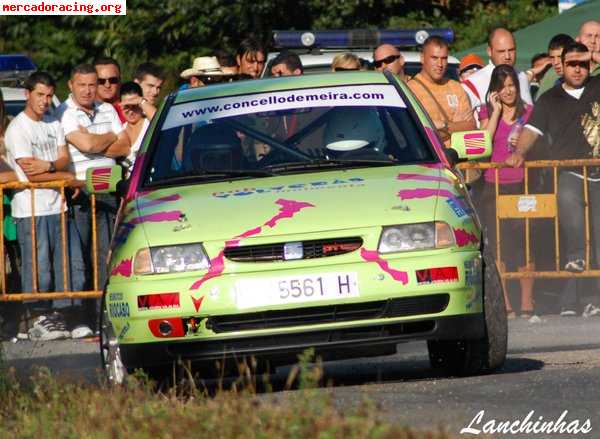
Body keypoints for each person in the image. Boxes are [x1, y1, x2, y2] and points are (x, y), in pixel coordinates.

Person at [506, 43, 600, 316]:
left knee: (598, 239)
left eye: (583, 63)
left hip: (598, 173)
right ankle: (575, 256)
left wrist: (594, 54)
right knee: (570, 212)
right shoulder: (549, 99)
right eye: (572, 64)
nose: (578, 69)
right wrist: (518, 152)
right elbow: (531, 130)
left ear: (590, 64)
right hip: (569, 172)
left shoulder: (597, 86)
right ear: (562, 65)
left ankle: (591, 298)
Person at [5, 71, 86, 340]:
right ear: (28, 94)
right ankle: (37, 316)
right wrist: (66, 178)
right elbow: (30, 174)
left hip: (57, 206)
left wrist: (51, 167)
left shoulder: (53, 122)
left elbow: (63, 158)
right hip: (31, 208)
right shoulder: (18, 128)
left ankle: (64, 316)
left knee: (68, 264)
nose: (45, 100)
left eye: (49, 95)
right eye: (40, 94)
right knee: (38, 266)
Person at [57, 63, 130, 329]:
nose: (88, 91)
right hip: (81, 191)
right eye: (82, 85)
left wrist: (98, 141)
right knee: (82, 258)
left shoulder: (107, 108)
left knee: (107, 256)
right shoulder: (64, 112)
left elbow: (125, 145)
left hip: (108, 190)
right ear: (71, 85)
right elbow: (85, 145)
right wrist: (108, 136)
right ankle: (82, 317)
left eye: (92, 84)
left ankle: (105, 316)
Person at [475, 64, 535, 318]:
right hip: (493, 185)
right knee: (500, 245)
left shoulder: (530, 112)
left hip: (523, 184)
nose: (508, 91)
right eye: (502, 87)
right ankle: (506, 304)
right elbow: (482, 146)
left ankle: (527, 303)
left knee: (524, 244)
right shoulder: (488, 113)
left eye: (511, 85)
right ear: (494, 91)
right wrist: (497, 112)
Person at [408, 36, 475, 146]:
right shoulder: (411, 90)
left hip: (460, 159)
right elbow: (420, 135)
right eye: (434, 58)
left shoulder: (456, 87)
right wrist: (455, 125)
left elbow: (471, 126)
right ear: (422, 58)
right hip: (431, 160)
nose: (440, 64)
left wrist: (442, 126)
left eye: (444, 58)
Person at [462, 28, 533, 113]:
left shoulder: (522, 77)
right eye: (501, 51)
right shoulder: (472, 83)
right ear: (489, 51)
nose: (507, 56)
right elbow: (464, 122)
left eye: (511, 50)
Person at [120, 82, 150, 175]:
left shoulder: (150, 124)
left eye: (134, 105)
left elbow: (161, 121)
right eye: (126, 107)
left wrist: (141, 101)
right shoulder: (119, 129)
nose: (131, 111)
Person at [536, 33, 575, 100]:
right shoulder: (551, 78)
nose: (556, 62)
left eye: (560, 57)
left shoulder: (586, 79)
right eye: (552, 57)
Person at [94, 57, 125, 123]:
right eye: (101, 81)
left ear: (120, 81)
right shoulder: (81, 113)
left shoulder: (132, 111)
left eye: (113, 80)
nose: (107, 85)